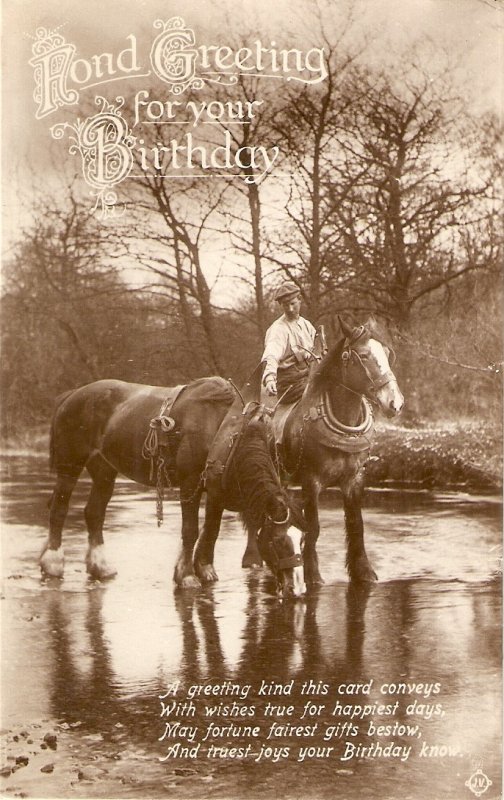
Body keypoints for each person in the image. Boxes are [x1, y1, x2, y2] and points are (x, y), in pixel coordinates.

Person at [262, 282, 316, 404]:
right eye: (286, 305)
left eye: (293, 304)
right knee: (318, 391)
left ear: (300, 300)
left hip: (309, 376)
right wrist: (270, 378)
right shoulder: (278, 329)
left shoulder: (307, 325)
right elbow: (271, 355)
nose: (290, 309)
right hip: (289, 384)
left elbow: (316, 352)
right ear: (281, 305)